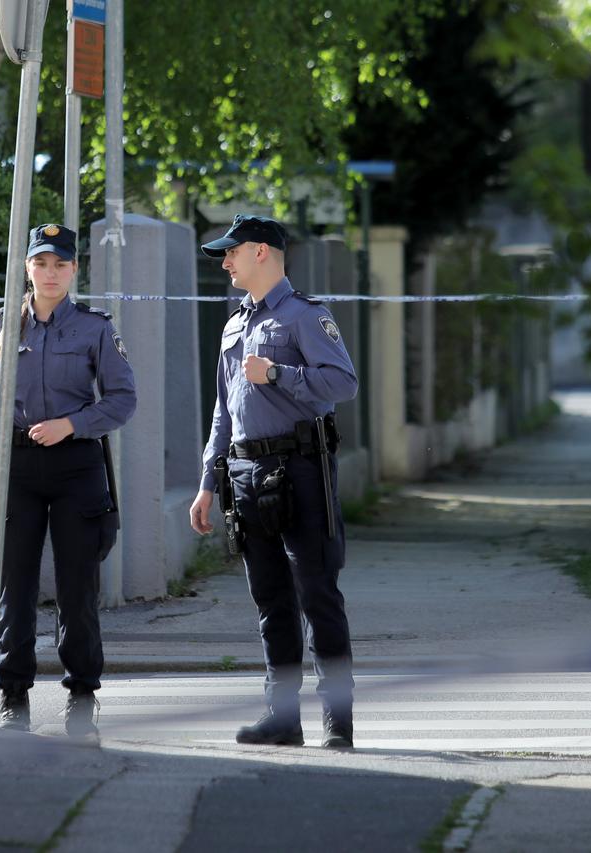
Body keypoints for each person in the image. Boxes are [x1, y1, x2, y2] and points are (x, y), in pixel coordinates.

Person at [0, 223, 136, 738]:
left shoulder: (96, 329)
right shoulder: (3, 326)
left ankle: (81, 696)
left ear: (74, 269)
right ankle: (14, 696)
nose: (50, 273)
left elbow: (123, 399)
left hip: (77, 466)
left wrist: (73, 424)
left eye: (60, 264)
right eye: (41, 264)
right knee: (15, 584)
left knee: (78, 588)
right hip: (18, 466)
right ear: (27, 269)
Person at [189, 214, 358, 749]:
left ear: (261, 251)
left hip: (301, 470)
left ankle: (339, 721)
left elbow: (341, 383)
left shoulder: (305, 316)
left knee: (317, 594)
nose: (225, 261)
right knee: (270, 601)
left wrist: (280, 373)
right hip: (245, 473)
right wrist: (208, 480)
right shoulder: (234, 323)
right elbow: (224, 409)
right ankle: (282, 719)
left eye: (232, 251)